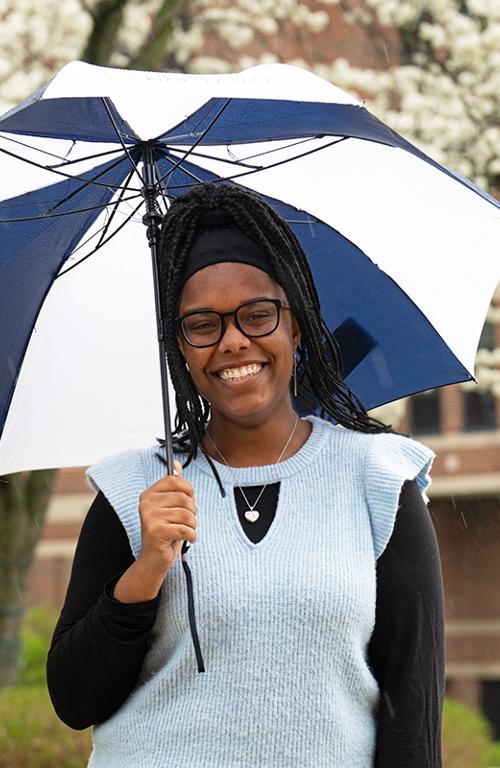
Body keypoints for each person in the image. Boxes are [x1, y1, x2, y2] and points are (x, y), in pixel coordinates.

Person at [47, 182, 445, 768]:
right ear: (179, 347)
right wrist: (147, 569)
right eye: (202, 325)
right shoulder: (136, 491)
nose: (234, 342)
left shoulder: (378, 480)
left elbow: (413, 710)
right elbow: (74, 698)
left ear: (297, 325)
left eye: (258, 315)